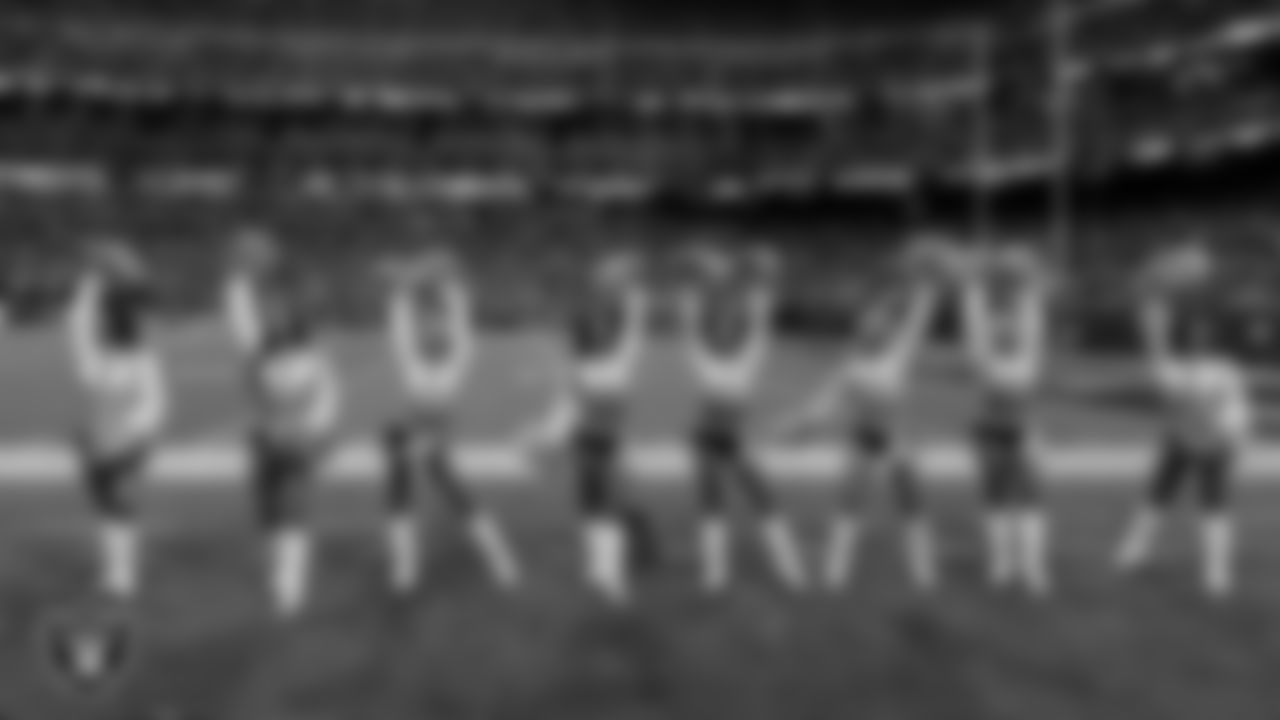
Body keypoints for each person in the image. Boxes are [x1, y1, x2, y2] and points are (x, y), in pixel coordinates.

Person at [774, 239, 951, 591]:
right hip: (862, 442)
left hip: (895, 440)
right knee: (850, 502)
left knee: (911, 500)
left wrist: (925, 275)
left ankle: (924, 572)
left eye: (880, 325)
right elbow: (823, 405)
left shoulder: (898, 352)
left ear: (886, 332)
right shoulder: (850, 368)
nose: (873, 329)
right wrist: (795, 426)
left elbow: (919, 311)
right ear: (860, 332)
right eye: (867, 326)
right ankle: (835, 572)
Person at [56, 237, 167, 681]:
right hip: (98, 440)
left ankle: (124, 576)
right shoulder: (95, 358)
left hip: (123, 443)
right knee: (105, 506)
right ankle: (114, 572)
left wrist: (131, 437)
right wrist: (91, 278)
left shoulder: (138, 357)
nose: (100, 323)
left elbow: (155, 404)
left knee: (120, 503)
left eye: (106, 319)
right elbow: (75, 323)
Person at [1113, 243, 1250, 599]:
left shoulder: (1224, 369)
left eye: (1202, 335)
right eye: (1193, 334)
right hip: (1181, 438)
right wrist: (1153, 297)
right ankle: (1135, 549)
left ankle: (1216, 570)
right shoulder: (1174, 366)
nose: (1197, 338)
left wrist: (1232, 440)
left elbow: (1236, 412)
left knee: (1214, 504)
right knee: (1157, 496)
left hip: (1212, 443)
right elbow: (1155, 343)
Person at [380, 247, 519, 593]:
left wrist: (419, 269)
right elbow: (399, 310)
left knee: (452, 490)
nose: (431, 330)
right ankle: (405, 566)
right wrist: (408, 280)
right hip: (410, 430)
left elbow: (456, 294)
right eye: (425, 325)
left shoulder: (459, 354)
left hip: (434, 431)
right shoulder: (409, 353)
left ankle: (499, 556)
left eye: (437, 325)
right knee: (399, 487)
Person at [515, 250, 651, 604]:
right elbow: (570, 390)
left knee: (606, 502)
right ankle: (599, 570)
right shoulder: (588, 359)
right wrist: (544, 434)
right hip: (587, 434)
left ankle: (612, 575)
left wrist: (621, 274)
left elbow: (633, 312)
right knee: (590, 500)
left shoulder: (621, 355)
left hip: (603, 435)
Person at [224, 229, 342, 619]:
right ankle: (282, 581)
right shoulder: (265, 332)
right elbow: (248, 337)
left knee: (290, 503)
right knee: (269, 504)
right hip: (273, 414)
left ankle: (288, 588)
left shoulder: (294, 337)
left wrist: (314, 428)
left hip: (291, 410)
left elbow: (253, 339)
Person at [682, 242, 806, 593]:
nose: (723, 328)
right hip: (705, 434)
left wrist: (758, 269)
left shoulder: (751, 351)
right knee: (710, 501)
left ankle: (790, 567)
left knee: (763, 497)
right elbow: (692, 313)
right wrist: (704, 271)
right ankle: (714, 574)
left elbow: (762, 307)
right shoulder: (701, 351)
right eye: (718, 324)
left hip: (734, 437)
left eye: (730, 324)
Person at [959, 243, 1054, 596]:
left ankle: (1033, 567)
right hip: (987, 432)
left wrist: (1027, 276)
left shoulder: (1029, 359)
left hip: (1023, 432)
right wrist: (973, 280)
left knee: (1032, 498)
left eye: (1010, 325)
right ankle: (1002, 563)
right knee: (994, 498)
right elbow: (973, 318)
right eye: (1000, 326)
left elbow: (1034, 314)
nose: (1006, 329)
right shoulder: (982, 358)